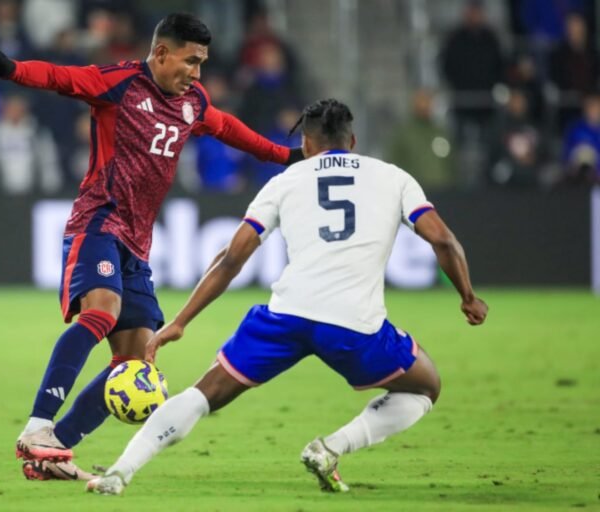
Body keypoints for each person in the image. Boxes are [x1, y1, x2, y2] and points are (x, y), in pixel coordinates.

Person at [85, 99, 489, 495]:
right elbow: (445, 242)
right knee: (425, 387)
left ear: (307, 146)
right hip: (354, 324)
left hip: (286, 316)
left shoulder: (284, 181)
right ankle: (330, 448)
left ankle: (120, 472)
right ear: (352, 141)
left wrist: (180, 321)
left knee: (205, 393)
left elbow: (230, 259)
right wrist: (468, 297)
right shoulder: (393, 178)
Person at [0, 13, 303, 480]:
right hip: (98, 222)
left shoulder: (193, 101)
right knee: (102, 310)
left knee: (136, 360)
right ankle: (37, 426)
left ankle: (54, 452)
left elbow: (229, 128)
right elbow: (62, 78)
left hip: (137, 243)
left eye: (203, 63)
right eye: (191, 61)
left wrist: (286, 156)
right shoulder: (120, 83)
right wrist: (12, 70)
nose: (197, 73)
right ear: (162, 53)